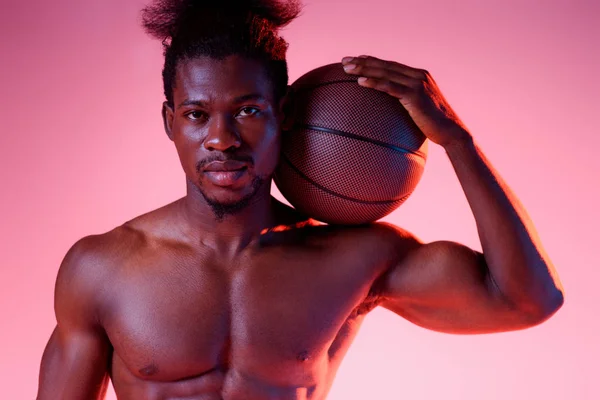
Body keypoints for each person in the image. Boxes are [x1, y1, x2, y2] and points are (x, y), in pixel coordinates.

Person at [36, 0, 564, 399]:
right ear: (170, 123)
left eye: (247, 111)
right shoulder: (101, 268)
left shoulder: (354, 258)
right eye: (197, 114)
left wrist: (456, 141)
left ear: (281, 115)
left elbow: (529, 299)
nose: (221, 140)